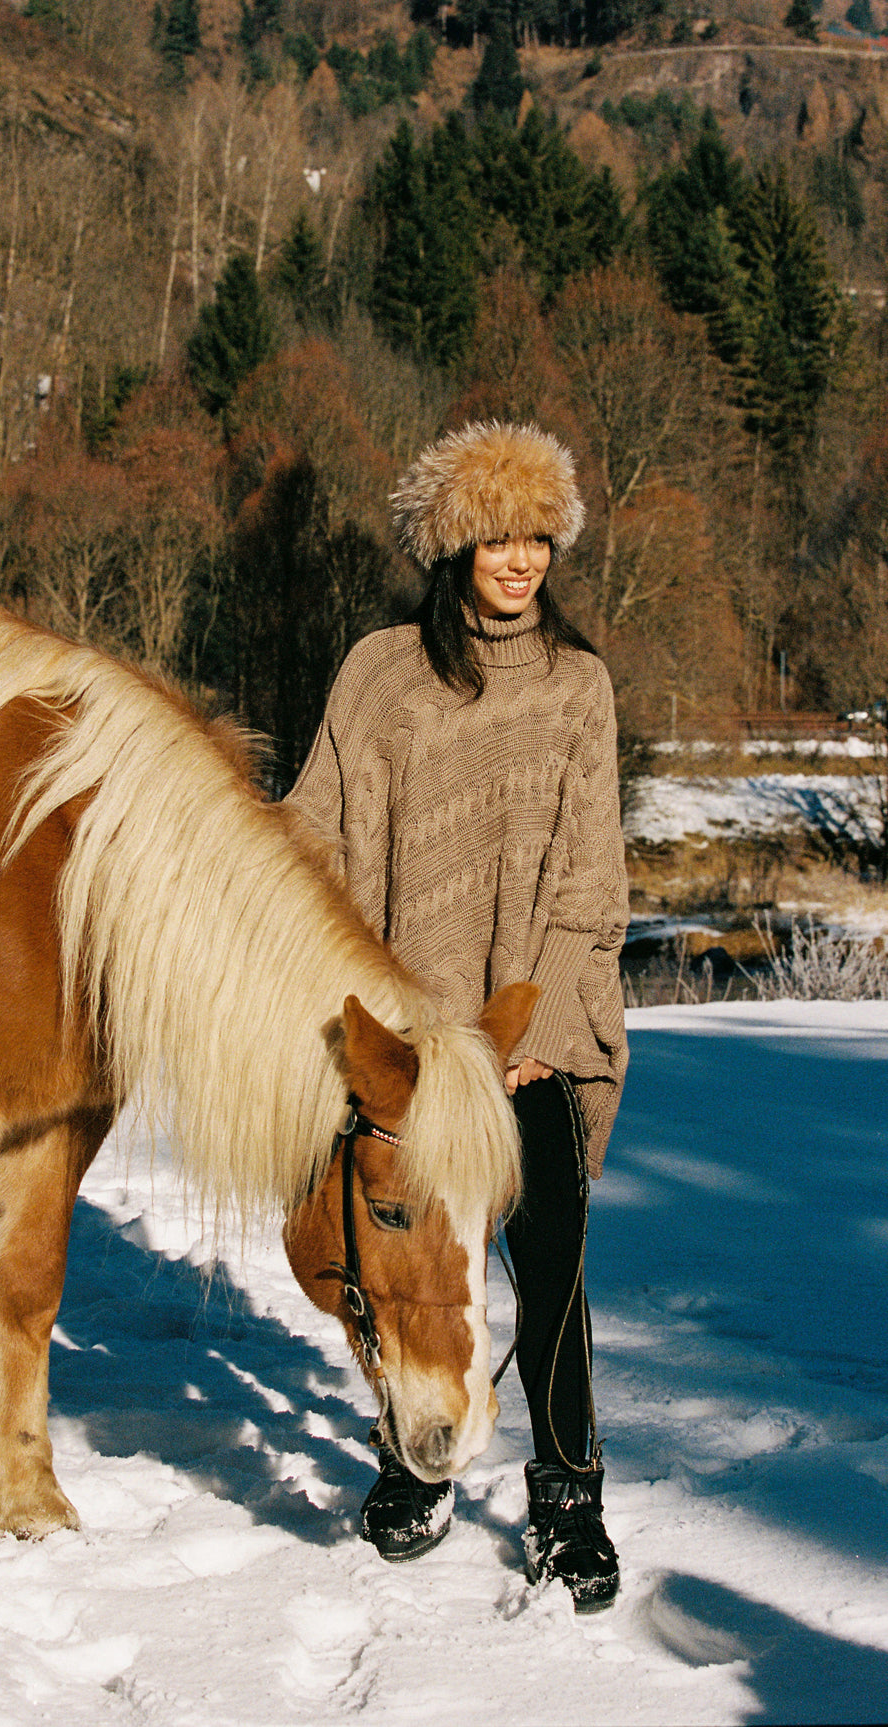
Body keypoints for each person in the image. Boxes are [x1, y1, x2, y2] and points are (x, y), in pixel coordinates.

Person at [285, 420, 628, 1613]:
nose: (520, 557)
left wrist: (532, 1025)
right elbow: (315, 835)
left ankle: (568, 1491)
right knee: (413, 1262)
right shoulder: (380, 673)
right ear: (453, 544)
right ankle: (411, 1457)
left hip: (534, 1041)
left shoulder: (581, 687)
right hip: (406, 1051)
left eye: (537, 534)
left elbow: (591, 880)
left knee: (550, 1264)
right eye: (496, 535)